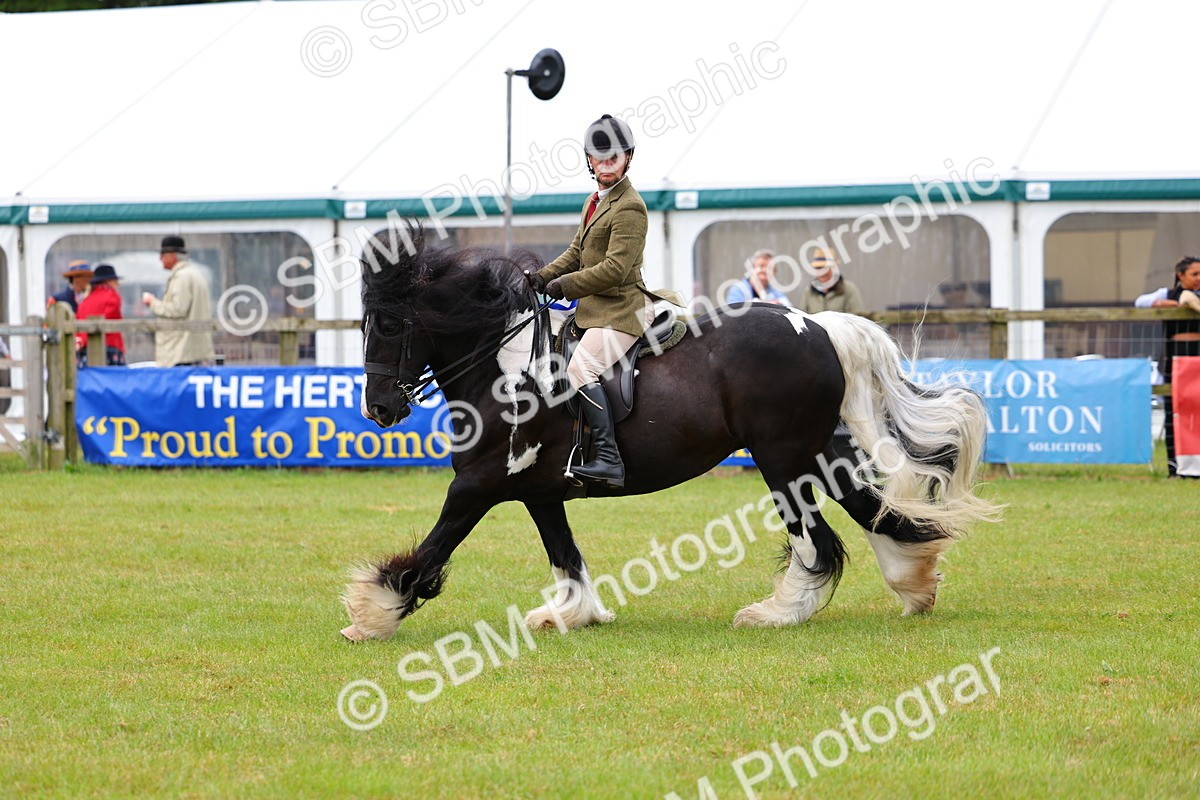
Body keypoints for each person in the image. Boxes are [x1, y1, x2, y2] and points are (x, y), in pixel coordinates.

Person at [528, 114, 663, 488]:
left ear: (628, 158)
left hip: (623, 308)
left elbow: (614, 270)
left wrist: (564, 286)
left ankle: (608, 459)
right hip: (594, 309)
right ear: (589, 160)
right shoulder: (594, 201)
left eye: (613, 158)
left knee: (580, 370)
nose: (606, 164)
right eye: (599, 158)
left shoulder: (630, 207)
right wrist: (542, 277)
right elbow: (576, 252)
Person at [1153, 256, 1200, 477]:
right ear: (1180, 276)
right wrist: (1166, 303)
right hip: (1176, 358)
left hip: (1197, 355)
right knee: (1175, 410)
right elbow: (1140, 302)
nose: (1199, 279)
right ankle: (1174, 466)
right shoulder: (1167, 294)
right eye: (1195, 274)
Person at [142, 235, 215, 367]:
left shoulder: (182, 277)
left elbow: (177, 309)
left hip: (181, 352)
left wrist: (152, 303)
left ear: (172, 256)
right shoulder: (194, 273)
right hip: (194, 349)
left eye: (163, 254)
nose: (160, 259)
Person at [75, 264, 126, 367]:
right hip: (110, 348)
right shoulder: (113, 297)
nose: (117, 284)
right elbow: (107, 320)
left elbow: (79, 326)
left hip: (85, 350)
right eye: (115, 281)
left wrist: (81, 342)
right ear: (109, 281)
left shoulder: (85, 301)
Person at [797, 250, 864, 315]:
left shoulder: (849, 289)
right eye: (818, 268)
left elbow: (856, 318)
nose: (822, 272)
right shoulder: (809, 292)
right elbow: (802, 318)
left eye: (826, 268)